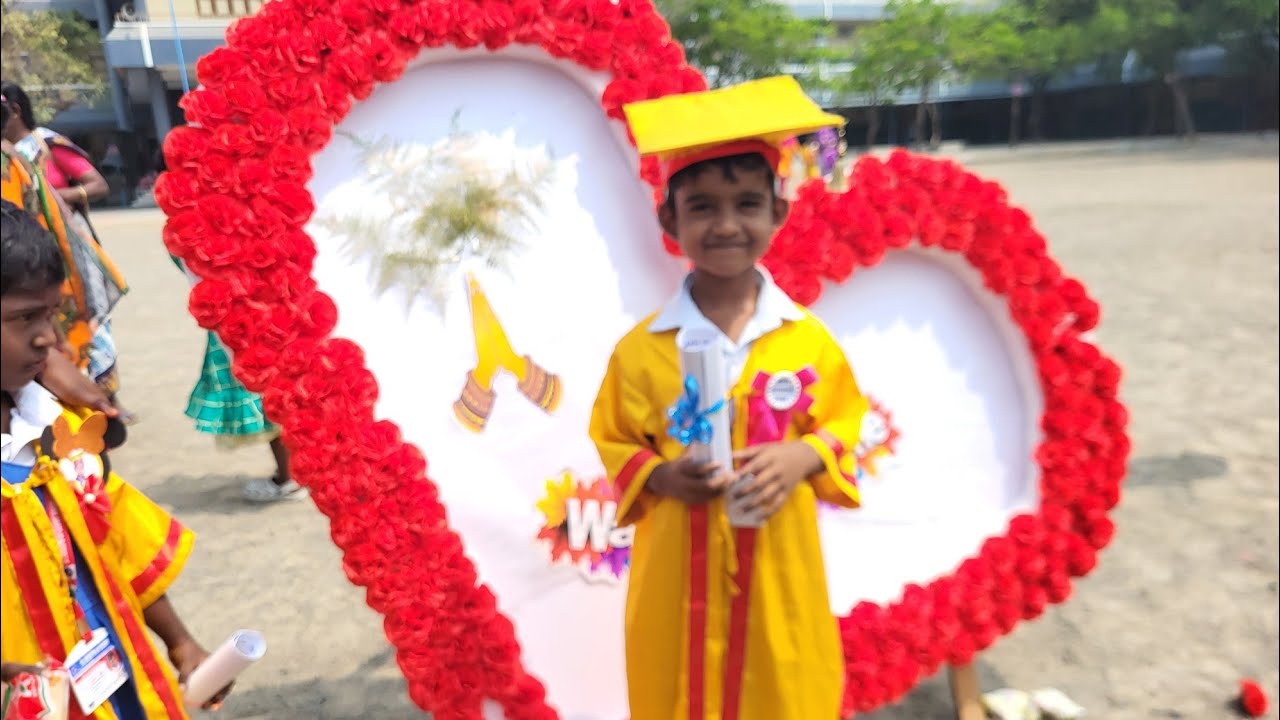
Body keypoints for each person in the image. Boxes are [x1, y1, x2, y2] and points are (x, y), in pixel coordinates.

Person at [589, 76, 869, 720]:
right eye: (703, 207)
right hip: (676, 571)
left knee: (785, 686)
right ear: (669, 219)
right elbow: (611, 436)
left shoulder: (805, 341)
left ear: (778, 213)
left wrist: (803, 456)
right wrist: (661, 475)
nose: (726, 225)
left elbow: (845, 418)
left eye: (746, 203)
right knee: (677, 688)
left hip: (778, 566)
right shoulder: (642, 351)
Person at [1, 200, 230, 716]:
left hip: (113, 678)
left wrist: (180, 643)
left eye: (51, 314)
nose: (49, 338)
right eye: (24, 318)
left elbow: (113, 540)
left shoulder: (57, 429)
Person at [2, 83, 133, 423]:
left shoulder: (39, 148)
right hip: (25, 271)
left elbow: (96, 184)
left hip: (41, 264)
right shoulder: (13, 157)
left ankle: (104, 396)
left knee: (71, 336)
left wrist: (60, 196)